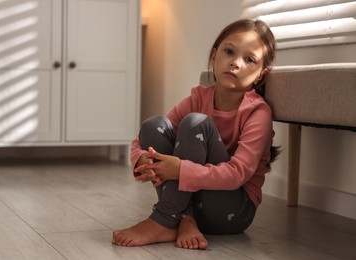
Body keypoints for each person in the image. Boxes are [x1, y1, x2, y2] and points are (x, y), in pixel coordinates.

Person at [112, 19, 280, 250]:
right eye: (229, 51)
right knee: (154, 125)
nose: (236, 63)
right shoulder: (198, 98)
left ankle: (163, 219)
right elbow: (142, 140)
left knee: (196, 123)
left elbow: (237, 174)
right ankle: (183, 219)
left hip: (231, 210)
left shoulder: (257, 112)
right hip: (192, 203)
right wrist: (141, 159)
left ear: (261, 74)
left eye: (249, 59)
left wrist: (179, 169)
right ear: (214, 55)